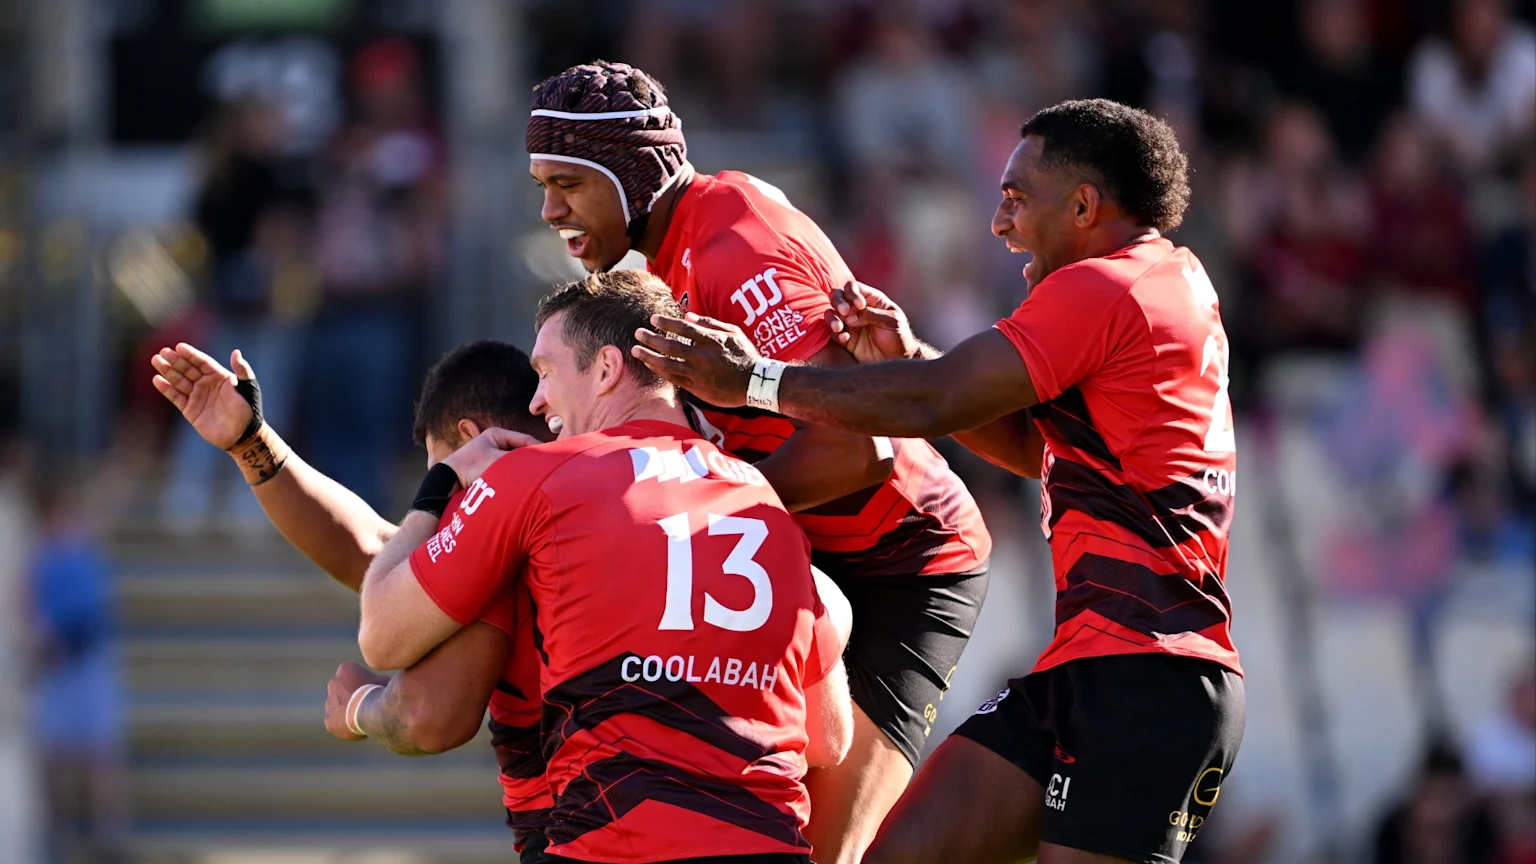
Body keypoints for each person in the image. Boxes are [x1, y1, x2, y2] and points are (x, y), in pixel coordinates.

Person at [632, 98, 1246, 864]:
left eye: (1018, 199)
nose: (1000, 223)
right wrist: (914, 355)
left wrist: (752, 381)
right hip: (1088, 672)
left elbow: (936, 402)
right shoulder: (1157, 283)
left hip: (1154, 679)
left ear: (1085, 206)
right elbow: (1032, 447)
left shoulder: (1113, 286)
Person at [526, 61, 992, 863]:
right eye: (543, 183)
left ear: (630, 173)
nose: (549, 208)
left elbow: (857, 449)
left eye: (569, 182)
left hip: (906, 564)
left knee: (828, 851)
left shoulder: (733, 242)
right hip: (816, 558)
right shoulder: (680, 250)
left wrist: (689, 520)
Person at [356, 271, 854, 864]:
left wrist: (439, 484)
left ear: (606, 368)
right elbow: (829, 738)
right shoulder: (764, 499)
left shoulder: (538, 477)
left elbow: (382, 636)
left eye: (545, 372)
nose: (536, 403)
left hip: (611, 848)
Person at [150, 339, 561, 861]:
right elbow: (386, 557)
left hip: (579, 829)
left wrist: (359, 708)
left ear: (469, 440)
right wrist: (252, 441)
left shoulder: (498, 504)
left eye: (438, 465)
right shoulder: (597, 486)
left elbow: (428, 715)